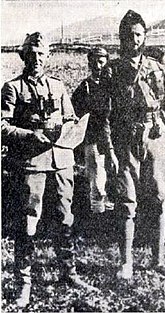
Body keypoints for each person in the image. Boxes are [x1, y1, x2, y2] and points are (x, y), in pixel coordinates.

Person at [1, 32, 80, 308]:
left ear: (47, 57)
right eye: (31, 54)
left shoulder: (58, 87)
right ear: (24, 56)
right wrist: (27, 136)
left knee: (64, 217)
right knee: (28, 221)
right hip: (31, 163)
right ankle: (24, 283)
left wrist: (70, 128)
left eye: (41, 54)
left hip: (61, 161)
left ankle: (68, 273)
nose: (36, 59)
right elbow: (2, 126)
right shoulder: (13, 88)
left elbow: (69, 117)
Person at [106, 10, 165, 279]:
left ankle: (158, 259)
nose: (134, 40)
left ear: (145, 37)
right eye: (128, 36)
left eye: (138, 35)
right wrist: (109, 151)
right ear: (121, 39)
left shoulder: (157, 68)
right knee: (127, 202)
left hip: (156, 135)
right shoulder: (113, 72)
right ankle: (126, 263)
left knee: (159, 198)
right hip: (126, 138)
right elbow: (104, 116)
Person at [71, 47, 118, 213]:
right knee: (97, 180)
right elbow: (75, 112)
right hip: (93, 139)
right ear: (89, 62)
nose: (98, 66)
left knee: (116, 176)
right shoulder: (85, 87)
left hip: (114, 137)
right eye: (94, 61)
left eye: (101, 62)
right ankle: (97, 216)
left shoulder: (114, 86)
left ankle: (113, 216)